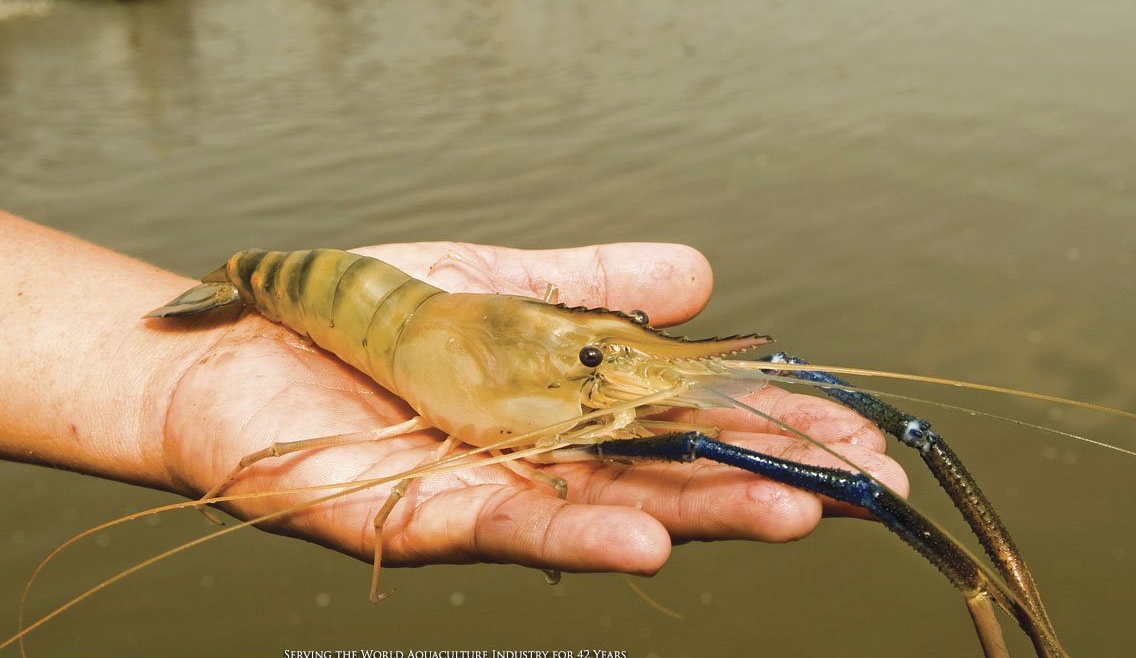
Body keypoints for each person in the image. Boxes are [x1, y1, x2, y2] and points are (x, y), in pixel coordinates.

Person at [0, 211, 905, 577]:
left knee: (733, 417)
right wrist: (162, 377)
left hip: (412, 313)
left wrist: (615, 359)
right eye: (595, 363)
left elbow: (586, 360)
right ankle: (237, 281)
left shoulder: (572, 351)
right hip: (295, 284)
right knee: (704, 445)